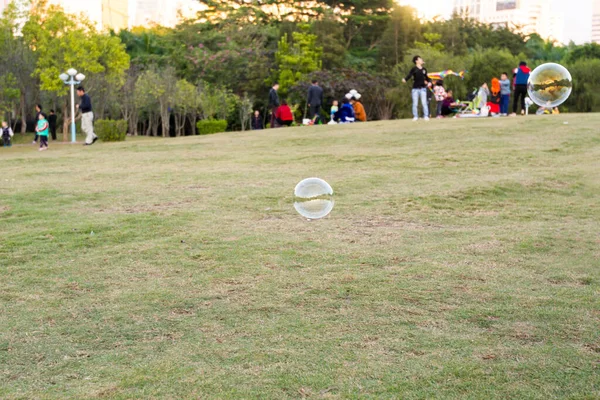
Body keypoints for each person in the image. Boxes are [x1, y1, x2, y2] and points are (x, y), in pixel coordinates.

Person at [402, 55, 432, 121]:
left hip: (423, 89)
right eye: (420, 59)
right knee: (415, 103)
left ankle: (426, 116)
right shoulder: (414, 69)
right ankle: (415, 116)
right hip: (415, 89)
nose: (421, 60)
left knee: (424, 103)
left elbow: (427, 78)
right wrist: (405, 79)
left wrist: (430, 82)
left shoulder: (424, 70)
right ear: (416, 61)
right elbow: (409, 75)